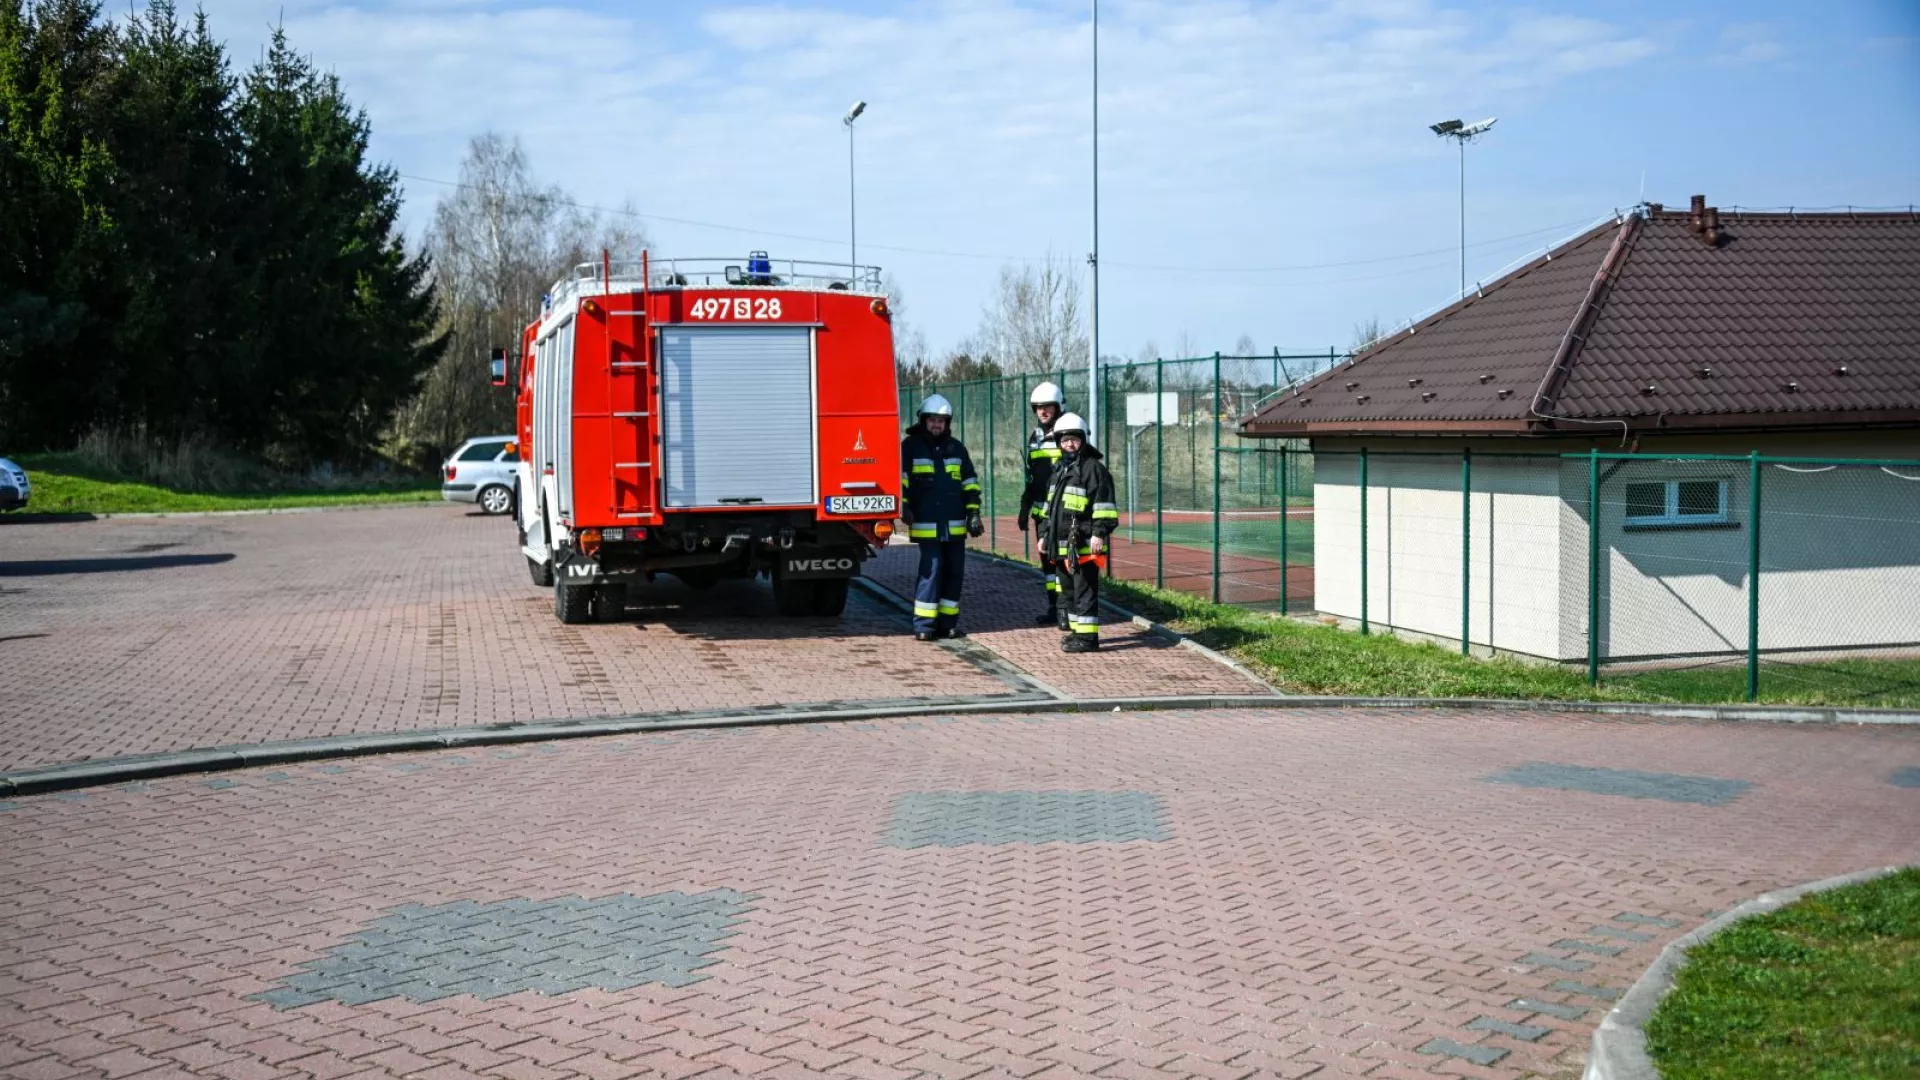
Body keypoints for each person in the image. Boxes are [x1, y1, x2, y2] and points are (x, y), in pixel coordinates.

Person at [900, 394, 983, 641]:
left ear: (947, 423)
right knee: (932, 570)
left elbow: (970, 482)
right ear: (923, 420)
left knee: (954, 572)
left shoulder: (957, 448)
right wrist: (904, 507)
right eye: (932, 420)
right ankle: (924, 626)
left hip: (955, 524)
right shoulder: (910, 446)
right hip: (927, 522)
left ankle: (947, 625)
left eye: (941, 421)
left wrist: (974, 512)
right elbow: (901, 479)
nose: (937, 425)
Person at [1037, 412, 1118, 653]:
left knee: (1085, 590)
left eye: (1074, 439)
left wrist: (1099, 534)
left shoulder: (1093, 469)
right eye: (1064, 440)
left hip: (1083, 542)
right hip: (1061, 546)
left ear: (1083, 440)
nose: (1069, 444)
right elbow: (1048, 509)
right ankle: (1077, 632)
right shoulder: (1059, 471)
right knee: (1069, 590)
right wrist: (1044, 535)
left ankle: (1088, 638)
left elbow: (1104, 505)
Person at [1017, 381, 1067, 628]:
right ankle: (1054, 607)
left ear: (1058, 407)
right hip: (1041, 513)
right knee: (1047, 563)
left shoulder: (1068, 432)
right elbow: (1033, 476)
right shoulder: (1035, 437)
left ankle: (1066, 610)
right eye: (1038, 407)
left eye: (1047, 406)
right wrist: (1025, 506)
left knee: (1063, 562)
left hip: (1063, 512)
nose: (1043, 411)